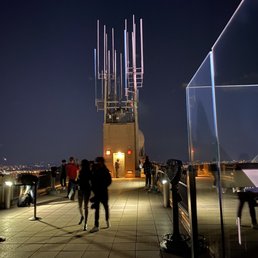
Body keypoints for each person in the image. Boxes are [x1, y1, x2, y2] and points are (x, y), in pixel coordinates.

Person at [90, 156, 112, 233]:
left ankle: (106, 220)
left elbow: (109, 181)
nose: (98, 163)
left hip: (102, 192)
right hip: (99, 192)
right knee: (98, 209)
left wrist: (102, 186)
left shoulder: (104, 170)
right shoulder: (97, 170)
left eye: (98, 162)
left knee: (105, 207)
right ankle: (97, 225)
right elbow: (92, 181)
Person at [77, 159, 92, 231]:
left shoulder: (82, 171)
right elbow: (91, 181)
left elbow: (78, 180)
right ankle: (84, 220)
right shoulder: (88, 171)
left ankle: (84, 221)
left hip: (83, 190)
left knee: (82, 206)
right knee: (84, 207)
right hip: (85, 190)